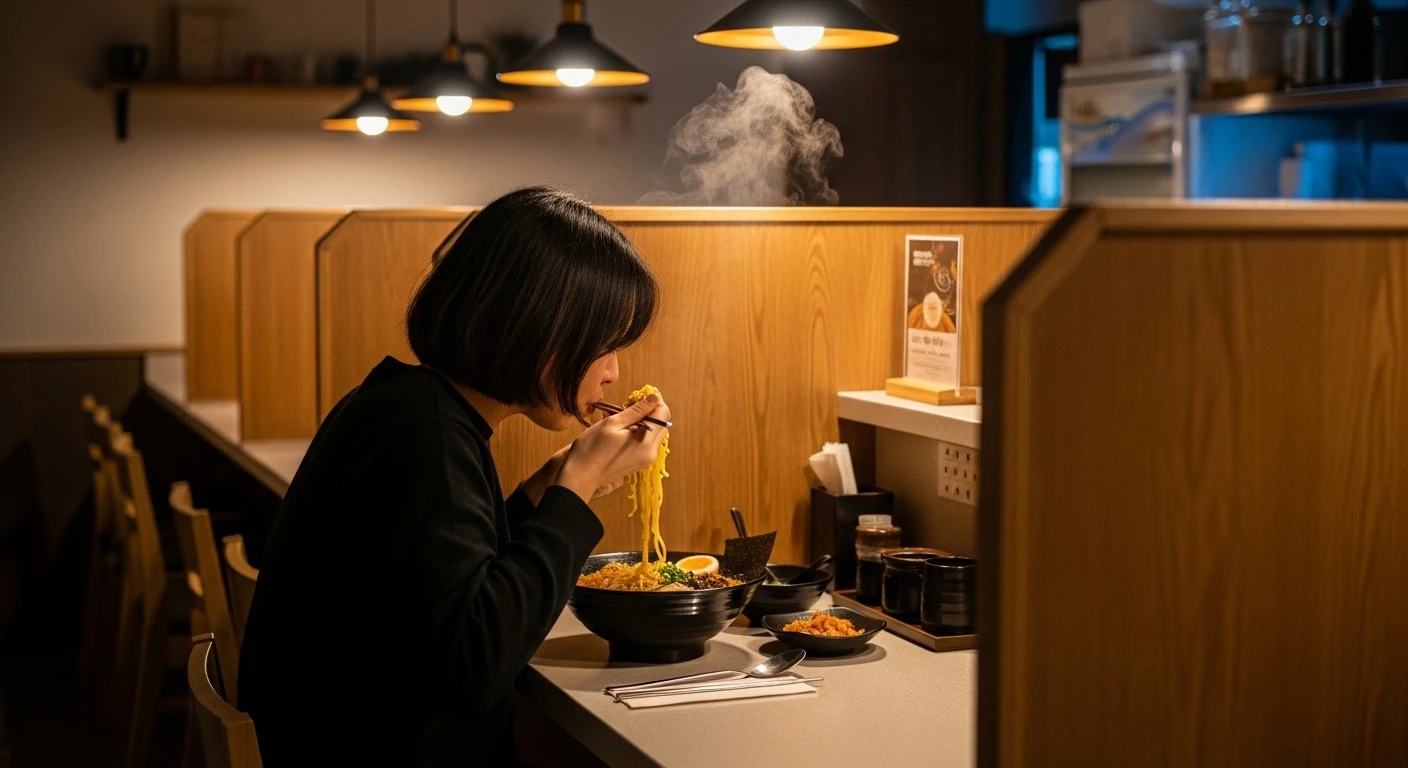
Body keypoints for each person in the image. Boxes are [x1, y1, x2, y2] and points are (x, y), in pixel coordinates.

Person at [238, 186, 671, 766]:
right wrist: (576, 490)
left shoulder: (406, 405)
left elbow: (444, 586)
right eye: (604, 344)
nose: (615, 372)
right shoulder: (426, 435)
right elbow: (475, 660)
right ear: (535, 327)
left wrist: (548, 487)